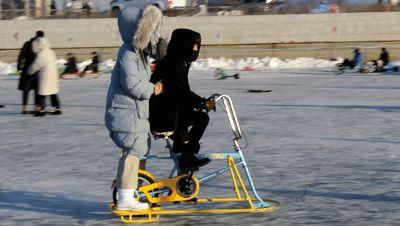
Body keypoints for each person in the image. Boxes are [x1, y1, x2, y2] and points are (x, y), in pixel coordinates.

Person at [104, 6, 163, 211]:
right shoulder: (128, 53)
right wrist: (153, 89)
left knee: (138, 149)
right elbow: (132, 84)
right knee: (133, 150)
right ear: (137, 31)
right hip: (125, 115)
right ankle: (125, 198)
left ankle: (130, 189)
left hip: (132, 114)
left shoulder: (136, 53)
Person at [150, 28, 215, 173]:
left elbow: (180, 92)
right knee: (201, 119)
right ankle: (186, 155)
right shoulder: (172, 63)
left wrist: (197, 103)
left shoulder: (179, 61)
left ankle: (184, 186)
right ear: (183, 45)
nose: (195, 49)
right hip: (165, 116)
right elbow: (179, 90)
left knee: (193, 130)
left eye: (197, 46)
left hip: (173, 111)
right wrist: (201, 102)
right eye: (193, 46)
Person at [28, 37, 62, 117]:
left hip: (45, 76)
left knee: (42, 93)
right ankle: (57, 108)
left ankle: (42, 109)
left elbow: (38, 64)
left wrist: (30, 71)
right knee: (53, 92)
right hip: (53, 75)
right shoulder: (51, 52)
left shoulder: (42, 54)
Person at [17, 31, 44, 114]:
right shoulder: (41, 45)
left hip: (27, 69)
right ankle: (36, 107)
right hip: (37, 70)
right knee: (37, 89)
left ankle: (24, 107)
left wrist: (19, 66)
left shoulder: (27, 43)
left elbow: (21, 55)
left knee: (26, 89)